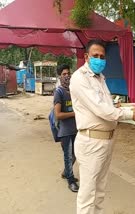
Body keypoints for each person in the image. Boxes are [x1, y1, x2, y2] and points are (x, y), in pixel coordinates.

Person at [69, 39, 135, 214]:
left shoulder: (100, 78)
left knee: (100, 191)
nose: (99, 59)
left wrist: (122, 108)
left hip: (106, 141)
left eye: (102, 56)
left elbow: (108, 106)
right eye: (95, 56)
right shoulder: (79, 78)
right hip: (91, 142)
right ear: (86, 57)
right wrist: (131, 115)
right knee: (87, 195)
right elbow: (101, 109)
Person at [54, 64, 79, 192]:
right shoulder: (59, 92)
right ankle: (70, 180)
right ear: (59, 76)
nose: (67, 76)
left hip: (76, 129)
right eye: (64, 74)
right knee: (68, 156)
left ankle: (66, 172)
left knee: (76, 154)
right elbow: (57, 115)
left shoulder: (73, 90)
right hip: (65, 131)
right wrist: (74, 113)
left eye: (68, 73)